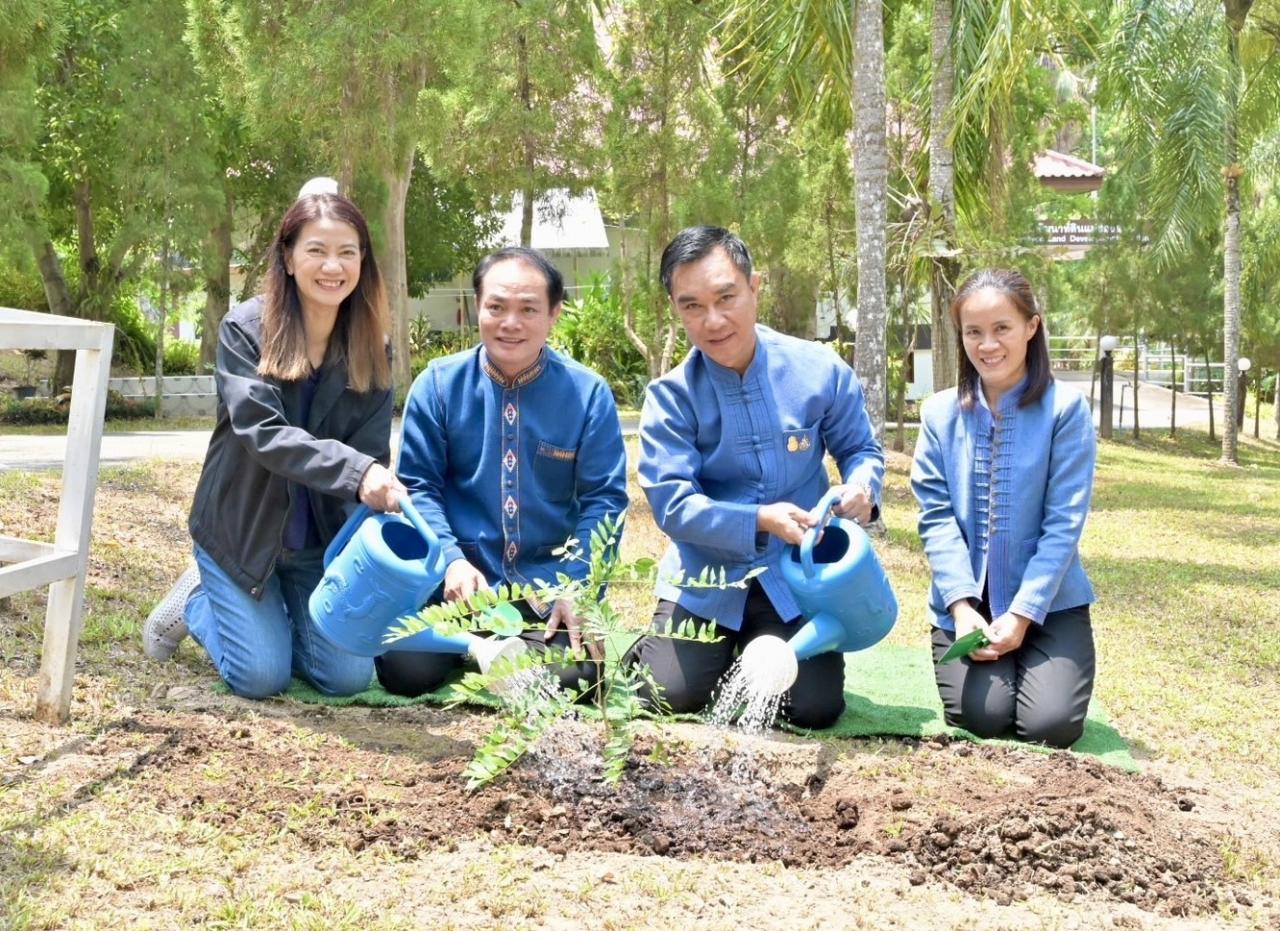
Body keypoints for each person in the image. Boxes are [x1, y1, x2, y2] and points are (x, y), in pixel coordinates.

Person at [141, 186, 405, 699]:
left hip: (317, 545)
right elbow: (265, 433)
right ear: (287, 256)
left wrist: (372, 499)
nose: (333, 266)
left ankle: (275, 618)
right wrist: (358, 473)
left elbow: (372, 450)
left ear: (363, 262)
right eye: (317, 250)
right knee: (262, 677)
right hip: (243, 532)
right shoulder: (245, 329)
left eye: (348, 252)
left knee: (347, 677)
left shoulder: (374, 345)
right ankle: (197, 598)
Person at [628, 225, 885, 729]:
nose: (713, 320)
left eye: (726, 297)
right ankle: (667, 647)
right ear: (677, 309)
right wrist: (759, 519)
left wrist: (863, 487)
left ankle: (752, 649)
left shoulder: (818, 369)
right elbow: (673, 507)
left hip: (796, 579)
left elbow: (861, 449)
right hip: (706, 581)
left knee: (813, 708)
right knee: (667, 692)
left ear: (754, 286)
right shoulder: (671, 396)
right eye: (692, 306)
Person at [374, 246, 628, 698]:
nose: (510, 323)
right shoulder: (437, 384)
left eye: (528, 309)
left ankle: (497, 653)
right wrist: (450, 560)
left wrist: (576, 585)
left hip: (548, 593)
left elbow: (604, 502)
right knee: (403, 669)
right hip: (456, 589)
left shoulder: (588, 394)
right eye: (497, 307)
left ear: (554, 314)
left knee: (580, 676)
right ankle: (483, 650)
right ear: (478, 308)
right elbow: (418, 488)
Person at [911, 268, 1096, 748]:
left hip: (1051, 605)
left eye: (1001, 329)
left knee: (1050, 726)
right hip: (967, 607)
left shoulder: (1066, 410)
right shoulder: (938, 414)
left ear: (1031, 327)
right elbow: (935, 517)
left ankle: (1034, 654)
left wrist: (1022, 615)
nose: (987, 345)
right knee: (984, 717)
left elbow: (1064, 524)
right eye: (974, 332)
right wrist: (960, 606)